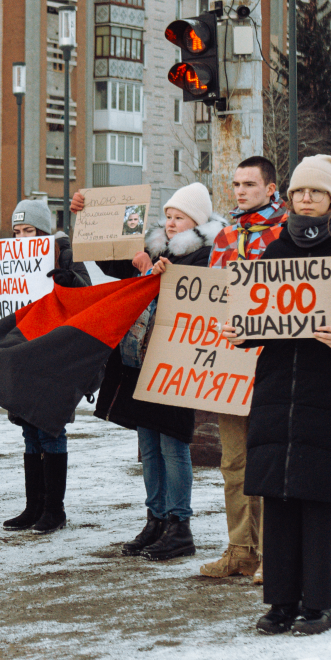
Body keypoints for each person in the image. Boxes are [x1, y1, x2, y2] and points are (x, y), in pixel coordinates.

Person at [224, 155, 331, 635]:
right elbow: (262, 316)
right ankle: (279, 603)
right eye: (299, 192)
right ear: (289, 197)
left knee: (317, 500)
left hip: (327, 391)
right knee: (277, 499)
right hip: (277, 391)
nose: (307, 199)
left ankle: (319, 604)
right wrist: (244, 333)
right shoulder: (274, 251)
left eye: (316, 192)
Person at [93, 183, 223, 561]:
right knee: (148, 445)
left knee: (173, 444)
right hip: (140, 360)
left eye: (179, 217)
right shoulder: (154, 248)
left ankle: (179, 525)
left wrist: (161, 275)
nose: (170, 223)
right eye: (167, 216)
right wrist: (86, 216)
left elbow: (198, 297)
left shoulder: (207, 253)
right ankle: (156, 518)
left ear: (196, 221)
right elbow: (111, 261)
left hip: (176, 363)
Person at [199, 156, 289, 586]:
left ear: (271, 188)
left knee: (270, 462)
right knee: (234, 462)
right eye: (236, 183)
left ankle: (276, 553)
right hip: (230, 362)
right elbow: (208, 292)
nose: (240, 191)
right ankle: (240, 550)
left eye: (250, 184)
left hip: (273, 363)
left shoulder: (288, 230)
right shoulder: (225, 234)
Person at [0, 198, 91, 534]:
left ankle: (54, 509)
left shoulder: (65, 253)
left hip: (55, 355)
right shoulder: (9, 258)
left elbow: (86, 295)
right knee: (28, 431)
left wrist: (67, 280)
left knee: (50, 429)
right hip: (23, 352)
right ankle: (33, 506)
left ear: (44, 230)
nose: (23, 237)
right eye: (17, 231)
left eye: (30, 231)